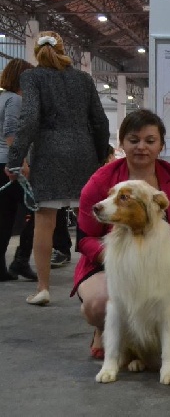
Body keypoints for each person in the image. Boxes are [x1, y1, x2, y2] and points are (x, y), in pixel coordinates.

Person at [72, 109, 170, 359]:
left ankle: (157, 344)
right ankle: (102, 329)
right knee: (99, 304)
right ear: (122, 143)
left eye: (150, 141)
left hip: (162, 263)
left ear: (161, 145)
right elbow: (85, 238)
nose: (142, 147)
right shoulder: (100, 181)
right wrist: (116, 257)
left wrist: (162, 256)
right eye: (133, 140)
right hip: (109, 265)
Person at [5, 31, 109, 305]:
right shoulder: (83, 79)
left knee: (44, 221)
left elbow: (28, 120)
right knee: (91, 220)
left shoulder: (32, 77)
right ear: (64, 50)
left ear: (36, 54)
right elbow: (100, 121)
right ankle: (100, 281)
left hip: (49, 155)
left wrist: (14, 159)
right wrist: (99, 158)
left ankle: (43, 288)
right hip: (84, 154)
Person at [0, 58, 36, 281]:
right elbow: (11, 131)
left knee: (3, 218)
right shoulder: (15, 100)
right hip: (9, 165)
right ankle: (21, 260)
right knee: (35, 213)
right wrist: (20, 161)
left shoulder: (2, 98)